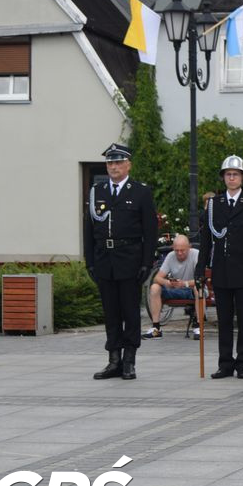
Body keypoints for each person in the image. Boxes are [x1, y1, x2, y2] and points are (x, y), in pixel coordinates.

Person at [83, 143, 158, 380]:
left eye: (117, 162)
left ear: (128, 165)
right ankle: (113, 360)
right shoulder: (98, 191)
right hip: (105, 260)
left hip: (130, 260)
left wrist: (146, 262)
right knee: (111, 313)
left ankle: (129, 360)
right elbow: (88, 229)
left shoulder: (140, 192)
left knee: (130, 312)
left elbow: (150, 231)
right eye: (110, 163)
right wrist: (90, 261)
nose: (113, 167)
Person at [196, 155, 243, 379]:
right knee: (224, 319)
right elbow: (206, 240)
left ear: (242, 178)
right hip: (222, 270)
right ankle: (225, 363)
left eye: (236, 174)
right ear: (223, 178)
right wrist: (200, 269)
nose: (232, 178)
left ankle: (242, 362)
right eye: (228, 174)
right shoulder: (214, 205)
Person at [143, 234, 200, 340]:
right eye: (177, 250)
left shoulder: (196, 254)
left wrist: (184, 283)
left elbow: (201, 278)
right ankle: (156, 328)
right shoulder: (170, 256)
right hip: (175, 289)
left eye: (182, 250)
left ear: (189, 247)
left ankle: (198, 326)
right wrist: (167, 282)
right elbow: (157, 278)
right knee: (155, 287)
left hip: (191, 288)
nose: (179, 253)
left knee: (198, 289)